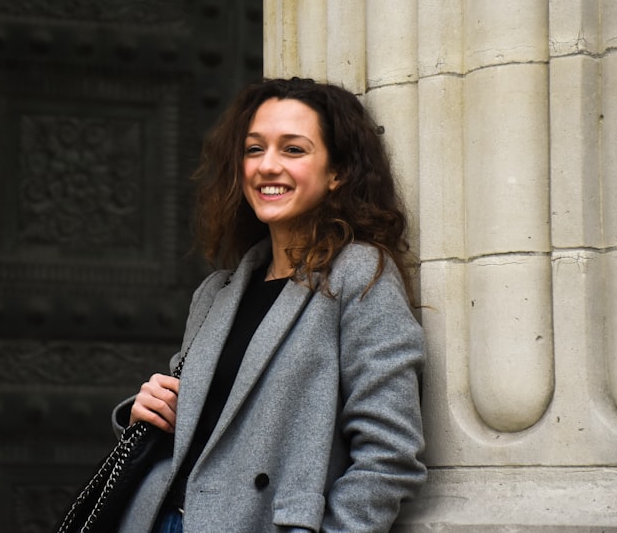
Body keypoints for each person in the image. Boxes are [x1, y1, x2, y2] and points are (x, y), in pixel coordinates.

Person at [110, 77, 427, 532]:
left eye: (293, 150)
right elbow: (206, 435)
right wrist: (148, 411)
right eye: (254, 149)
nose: (267, 166)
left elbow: (390, 453)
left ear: (336, 172)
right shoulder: (218, 292)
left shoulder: (358, 275)